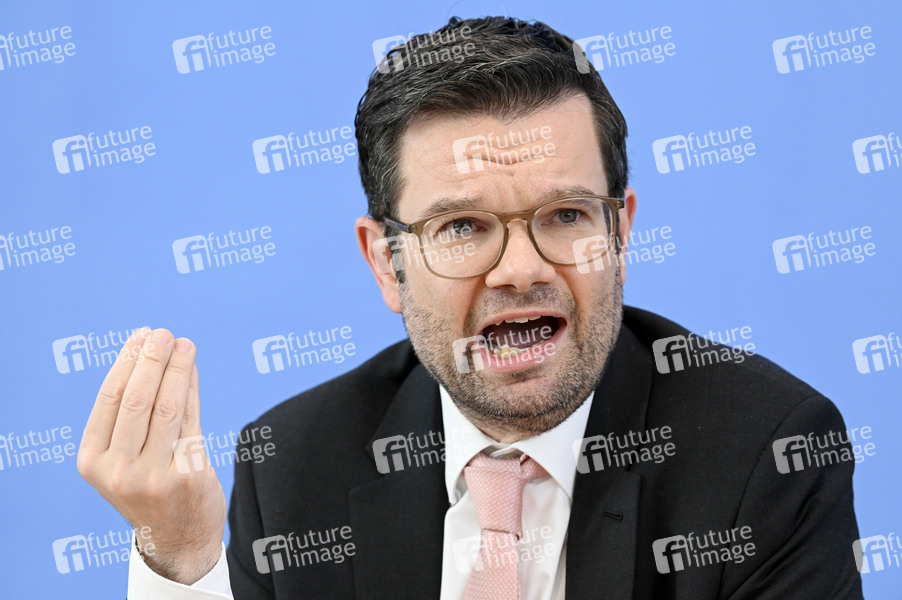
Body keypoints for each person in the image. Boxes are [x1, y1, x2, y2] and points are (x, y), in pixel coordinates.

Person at [77, 16, 863, 599]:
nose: (520, 270)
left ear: (619, 235)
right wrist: (183, 560)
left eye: (566, 215)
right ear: (386, 263)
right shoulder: (293, 466)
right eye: (461, 227)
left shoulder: (767, 453)